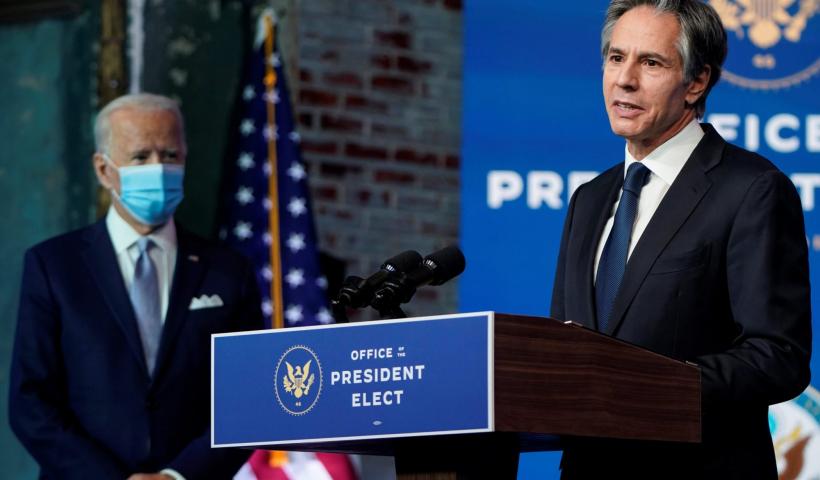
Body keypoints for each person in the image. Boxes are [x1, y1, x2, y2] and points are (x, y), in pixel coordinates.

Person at [550, 0, 811, 477]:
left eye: (651, 63)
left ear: (696, 82)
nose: (624, 79)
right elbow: (565, 346)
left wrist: (645, 386)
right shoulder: (588, 199)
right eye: (615, 57)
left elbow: (777, 357)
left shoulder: (751, 189)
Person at [9, 93, 263, 479]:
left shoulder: (229, 272)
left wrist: (177, 476)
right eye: (141, 156)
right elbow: (31, 402)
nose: (158, 169)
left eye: (170, 155)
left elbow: (247, 400)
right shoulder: (53, 267)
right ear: (103, 170)